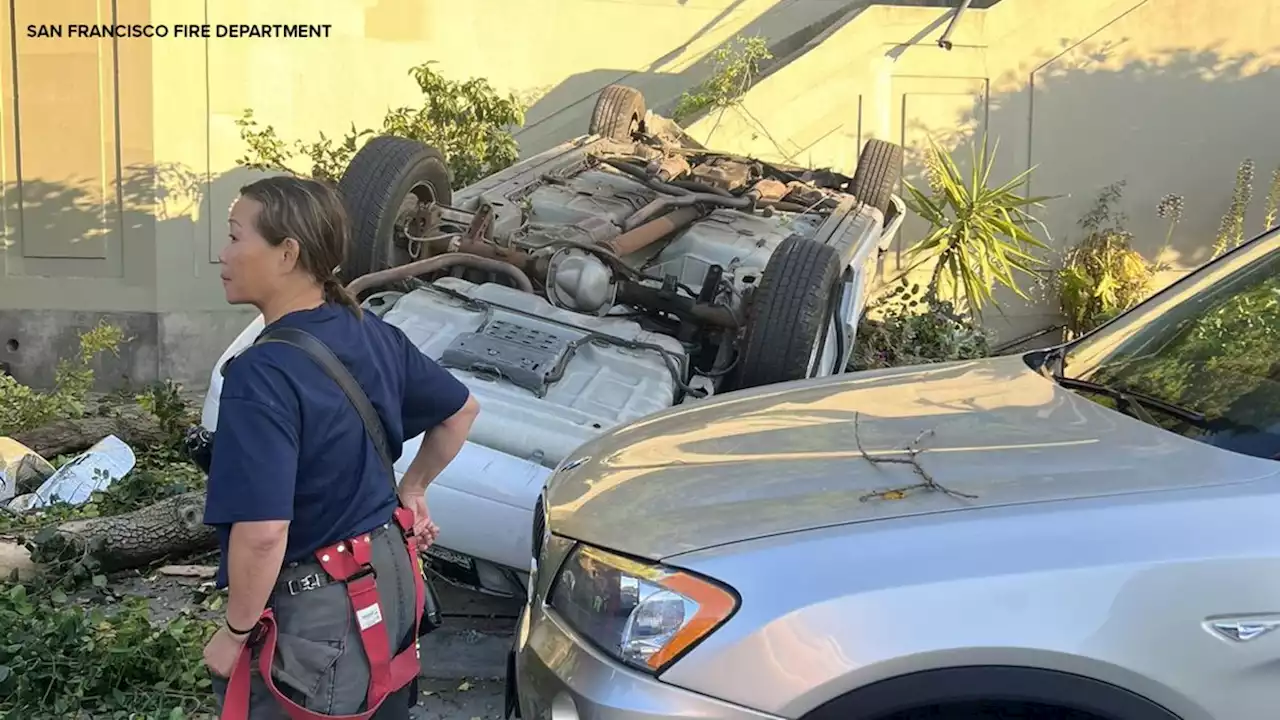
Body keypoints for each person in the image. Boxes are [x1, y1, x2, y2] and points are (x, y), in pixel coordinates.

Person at [201, 175, 480, 718]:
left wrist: (234, 633)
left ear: (287, 253)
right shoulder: (368, 329)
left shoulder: (261, 374)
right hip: (390, 581)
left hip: (320, 618)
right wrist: (413, 488)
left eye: (236, 237)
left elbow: (263, 534)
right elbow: (461, 411)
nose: (222, 253)